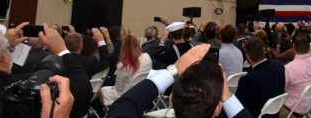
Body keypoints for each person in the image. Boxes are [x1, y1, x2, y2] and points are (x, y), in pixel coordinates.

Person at [106, 44, 253, 118]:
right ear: (218, 109)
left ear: (171, 99)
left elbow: (124, 105)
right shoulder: (220, 106)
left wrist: (174, 69)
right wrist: (227, 96)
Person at [0, 23, 93, 118]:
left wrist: (4, 44)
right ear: (4, 57)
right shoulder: (26, 86)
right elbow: (83, 89)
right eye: (9, 50)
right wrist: (62, 51)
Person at [234, 37, 285, 118]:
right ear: (264, 51)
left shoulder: (248, 79)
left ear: (247, 56)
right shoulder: (279, 65)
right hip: (274, 114)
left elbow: (236, 106)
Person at [99, 33, 152, 106]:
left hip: (126, 95)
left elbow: (118, 88)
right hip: (141, 93)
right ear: (138, 44)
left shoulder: (123, 65)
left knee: (102, 90)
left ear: (123, 47)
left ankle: (108, 112)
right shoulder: (147, 57)